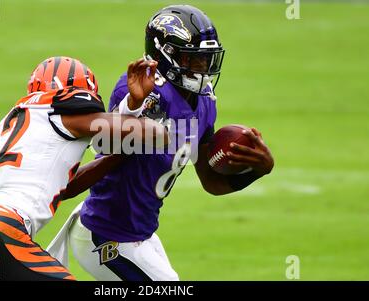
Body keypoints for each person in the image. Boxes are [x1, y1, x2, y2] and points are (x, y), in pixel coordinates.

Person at [47, 5, 274, 281]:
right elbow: (104, 145)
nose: (203, 69)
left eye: (206, 60)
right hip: (106, 234)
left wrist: (257, 170)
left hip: (139, 232)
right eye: (194, 60)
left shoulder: (203, 100)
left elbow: (211, 181)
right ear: (165, 55)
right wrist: (133, 107)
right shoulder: (144, 91)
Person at [0, 56, 165, 281]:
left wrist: (114, 157)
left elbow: (63, 188)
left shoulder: (22, 118)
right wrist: (168, 129)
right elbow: (142, 131)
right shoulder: (62, 113)